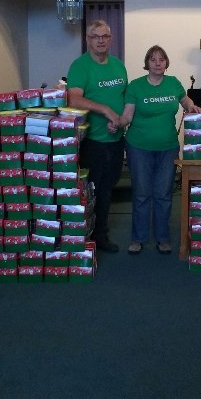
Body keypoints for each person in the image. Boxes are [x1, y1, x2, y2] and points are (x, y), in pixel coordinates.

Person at [119, 45, 201, 255]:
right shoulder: (136, 86)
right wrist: (117, 123)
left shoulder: (173, 83)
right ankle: (138, 238)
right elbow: (128, 115)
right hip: (139, 147)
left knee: (164, 194)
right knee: (141, 194)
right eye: (153, 59)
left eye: (161, 59)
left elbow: (185, 101)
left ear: (166, 63)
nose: (158, 63)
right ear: (147, 63)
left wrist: (192, 107)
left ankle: (162, 238)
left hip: (168, 148)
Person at [67, 20, 128, 253]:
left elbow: (125, 97)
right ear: (88, 40)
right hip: (93, 141)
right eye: (96, 36)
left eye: (105, 36)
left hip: (115, 139)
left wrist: (120, 120)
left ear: (110, 39)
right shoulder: (80, 66)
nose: (101, 40)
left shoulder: (118, 66)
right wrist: (105, 110)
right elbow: (74, 99)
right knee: (92, 189)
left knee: (108, 189)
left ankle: (101, 233)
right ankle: (88, 237)